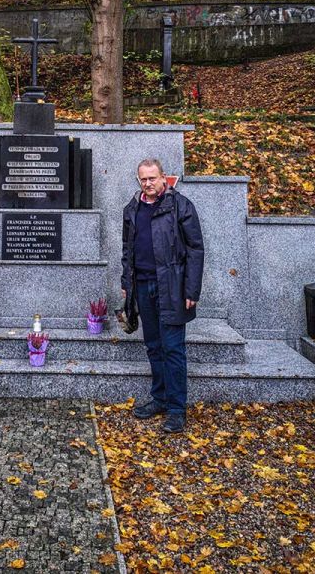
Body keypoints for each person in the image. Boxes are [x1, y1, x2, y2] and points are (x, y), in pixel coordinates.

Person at [121, 158, 204, 434]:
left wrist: (191, 289)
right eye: (143, 179)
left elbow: (195, 249)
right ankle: (159, 398)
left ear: (163, 178)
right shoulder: (131, 209)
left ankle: (177, 409)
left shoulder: (180, 206)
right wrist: (126, 284)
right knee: (154, 346)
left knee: (173, 348)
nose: (148, 183)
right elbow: (127, 252)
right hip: (143, 286)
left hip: (172, 288)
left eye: (152, 178)